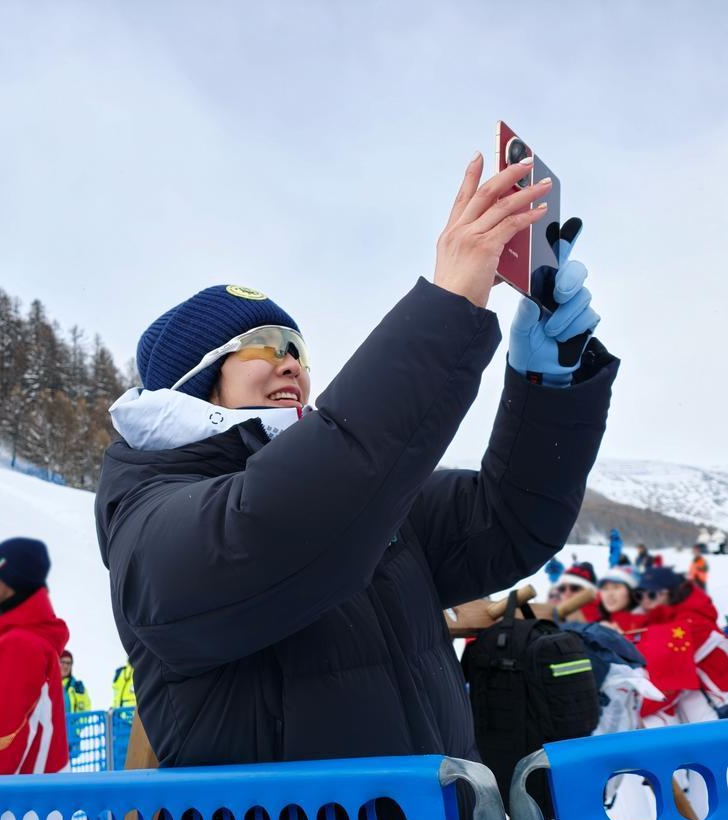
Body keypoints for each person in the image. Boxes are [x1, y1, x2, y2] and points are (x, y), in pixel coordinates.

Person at [94, 152, 617, 769]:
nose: (292, 362)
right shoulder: (148, 516)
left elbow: (505, 522)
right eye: (263, 345)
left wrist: (546, 386)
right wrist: (448, 306)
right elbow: (274, 522)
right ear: (194, 379)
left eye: (298, 347)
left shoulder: (358, 495)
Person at [0, 538, 69, 776]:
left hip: (5, 811)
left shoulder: (18, 646)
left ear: (10, 580)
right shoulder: (19, 639)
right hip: (26, 806)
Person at [635, 567, 728, 725]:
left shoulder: (690, 627)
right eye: (639, 595)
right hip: (706, 719)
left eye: (651, 594)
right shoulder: (671, 623)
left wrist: (630, 711)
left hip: (723, 718)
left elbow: (667, 686)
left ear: (669, 593)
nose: (645, 601)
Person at [596, 567, 643, 634]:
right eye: (605, 588)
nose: (609, 594)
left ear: (632, 592)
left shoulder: (649, 625)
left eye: (616, 587)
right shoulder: (597, 627)